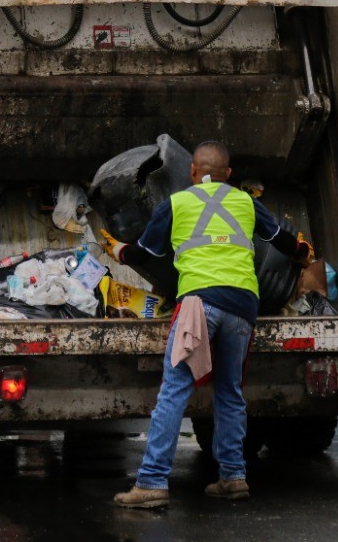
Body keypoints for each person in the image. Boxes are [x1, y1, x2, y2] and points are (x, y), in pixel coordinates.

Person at [106, 140, 313, 509]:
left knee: (174, 392)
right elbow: (284, 241)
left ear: (191, 172)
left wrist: (118, 249)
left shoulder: (178, 202)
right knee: (230, 392)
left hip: (199, 302)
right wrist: (302, 251)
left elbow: (145, 252)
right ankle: (232, 478)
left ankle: (152, 482)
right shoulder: (247, 202)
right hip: (243, 305)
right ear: (229, 175)